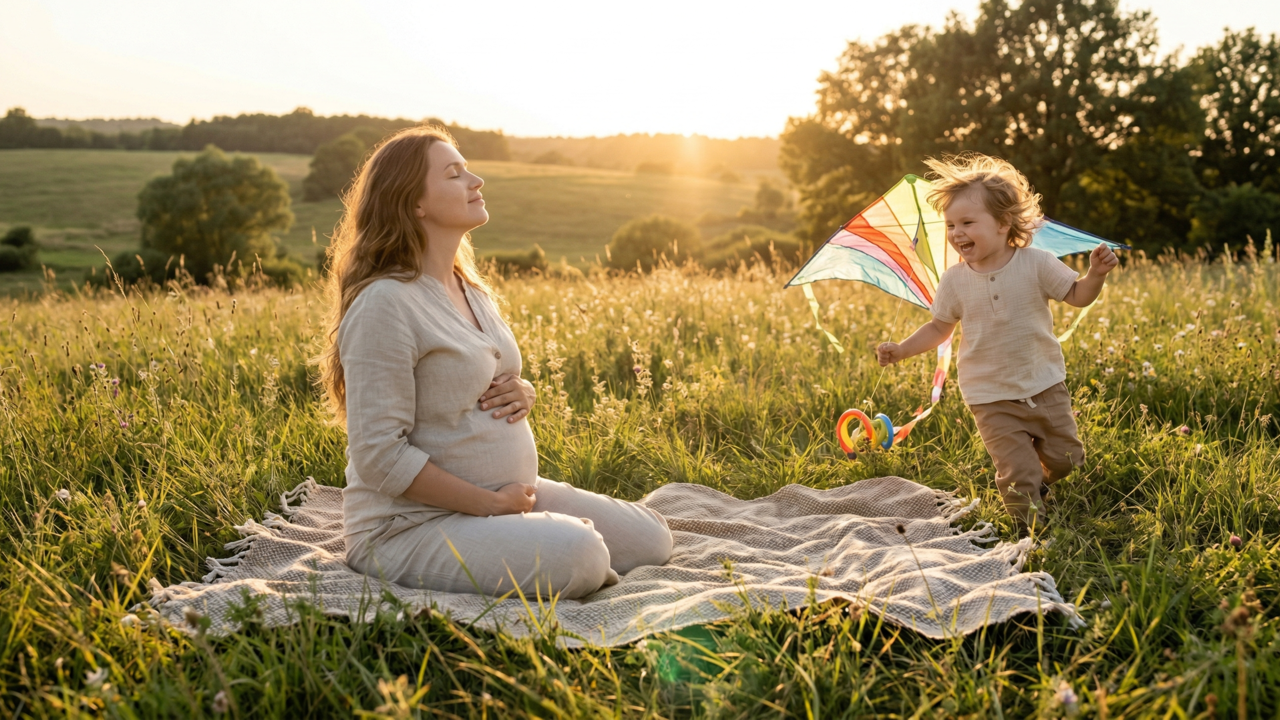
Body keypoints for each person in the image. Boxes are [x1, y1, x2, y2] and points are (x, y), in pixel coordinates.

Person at [315, 125, 673, 599]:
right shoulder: (386, 303)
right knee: (581, 553)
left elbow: (487, 374)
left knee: (652, 539)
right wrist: (490, 505)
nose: (476, 180)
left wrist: (525, 390)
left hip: (510, 497)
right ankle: (559, 549)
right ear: (414, 203)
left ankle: (547, 541)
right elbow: (379, 455)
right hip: (410, 526)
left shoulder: (470, 288)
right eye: (455, 174)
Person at [876, 153, 1118, 530]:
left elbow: (1077, 295)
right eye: (951, 224)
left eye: (968, 223)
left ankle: (1038, 485)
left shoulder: (1036, 262)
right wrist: (902, 349)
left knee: (1067, 458)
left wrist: (1096, 275)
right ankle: (1032, 534)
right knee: (1017, 473)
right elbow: (939, 328)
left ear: (1004, 222)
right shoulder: (954, 280)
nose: (957, 233)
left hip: (1045, 383)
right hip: (989, 395)